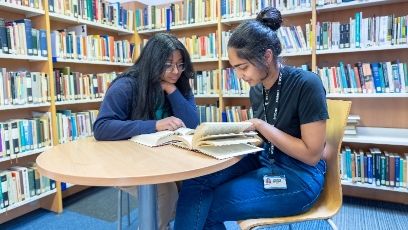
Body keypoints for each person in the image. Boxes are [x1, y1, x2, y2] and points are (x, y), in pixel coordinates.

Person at [174, 7, 328, 230]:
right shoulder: (257, 89)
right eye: (235, 68)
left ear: (267, 56)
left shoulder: (306, 84)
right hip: (264, 159)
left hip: (299, 177)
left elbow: (312, 155)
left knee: (208, 205)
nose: (239, 76)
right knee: (196, 181)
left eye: (243, 67)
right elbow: (263, 138)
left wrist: (260, 126)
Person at [93, 33, 199, 230]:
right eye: (168, 65)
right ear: (153, 62)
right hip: (129, 161)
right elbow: (102, 127)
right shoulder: (126, 85)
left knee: (197, 185)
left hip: (166, 158)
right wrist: (154, 125)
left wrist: (170, 89)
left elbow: (192, 123)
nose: (176, 71)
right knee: (166, 193)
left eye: (180, 64)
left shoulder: (178, 82)